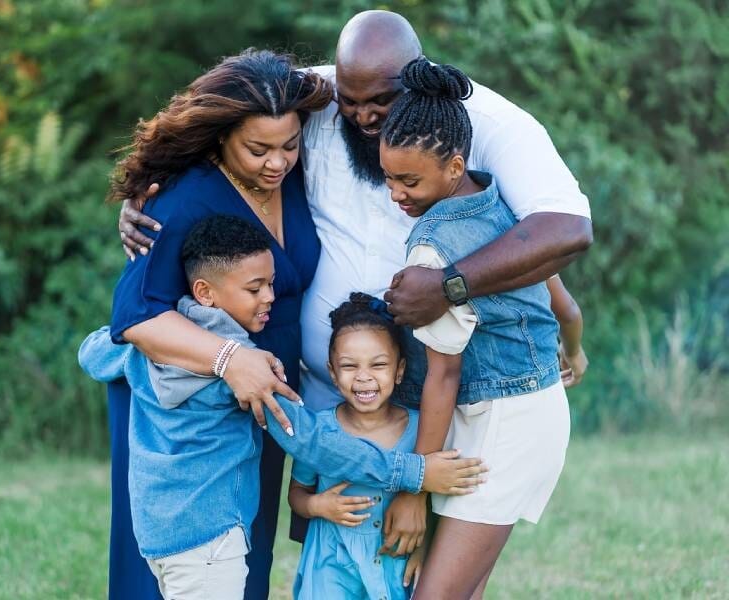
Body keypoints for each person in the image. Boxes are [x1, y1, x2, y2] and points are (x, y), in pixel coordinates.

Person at [118, 8, 593, 589]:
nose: (364, 117)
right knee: (367, 570)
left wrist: (452, 289)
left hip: (458, 403)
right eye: (352, 103)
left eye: (380, 105)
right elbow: (230, 109)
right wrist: (150, 184)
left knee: (427, 582)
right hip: (342, 405)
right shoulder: (319, 100)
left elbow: (564, 238)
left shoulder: (482, 134)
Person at [79, 216, 482, 600]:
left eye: (271, 283)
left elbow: (93, 354)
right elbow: (311, 442)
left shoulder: (150, 345)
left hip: (158, 532)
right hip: (212, 536)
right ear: (206, 293)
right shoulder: (246, 371)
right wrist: (417, 471)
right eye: (255, 288)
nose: (270, 296)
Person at [104, 49, 336, 600]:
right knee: (180, 559)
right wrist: (231, 360)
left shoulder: (295, 182)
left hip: (261, 396)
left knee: (243, 558)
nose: (277, 163)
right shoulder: (181, 200)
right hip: (187, 412)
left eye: (289, 145)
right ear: (219, 138)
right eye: (258, 149)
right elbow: (134, 318)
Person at [378, 56, 575, 598]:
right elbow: (554, 293)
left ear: (454, 164)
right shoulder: (494, 199)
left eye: (409, 180)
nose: (396, 193)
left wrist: (414, 489)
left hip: (503, 428)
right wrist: (571, 341)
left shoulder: (432, 249)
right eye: (389, 177)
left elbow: (444, 376)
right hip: (524, 412)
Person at [289, 293, 455, 599]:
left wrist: (425, 550)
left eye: (378, 365)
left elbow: (437, 504)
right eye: (350, 366)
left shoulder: (423, 430)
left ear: (400, 370)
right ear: (333, 374)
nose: (364, 377)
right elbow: (297, 494)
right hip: (331, 564)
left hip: (396, 561)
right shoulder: (320, 431)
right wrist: (316, 505)